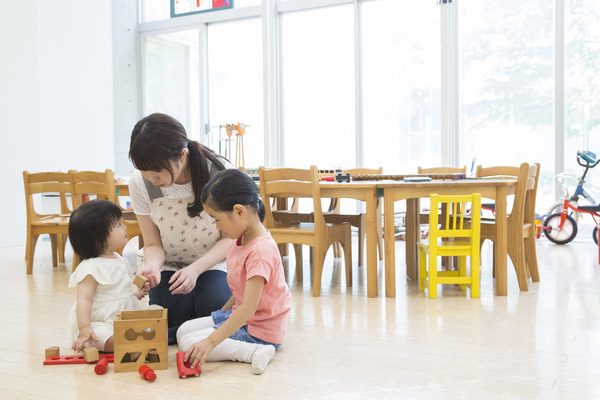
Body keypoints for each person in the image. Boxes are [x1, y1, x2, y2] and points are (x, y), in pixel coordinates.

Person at [128, 112, 232, 345]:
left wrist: (195, 270)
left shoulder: (215, 172)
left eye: (157, 173)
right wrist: (152, 267)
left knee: (214, 304)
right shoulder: (140, 182)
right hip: (170, 264)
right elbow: (152, 243)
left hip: (213, 262)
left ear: (182, 155)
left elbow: (230, 238)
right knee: (172, 313)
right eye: (146, 174)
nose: (152, 180)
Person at [176, 169, 292, 375]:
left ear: (239, 211)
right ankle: (243, 345)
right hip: (245, 317)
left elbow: (248, 308)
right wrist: (221, 314)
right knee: (183, 331)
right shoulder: (241, 238)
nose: (216, 227)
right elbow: (240, 291)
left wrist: (210, 341)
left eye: (216, 219)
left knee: (188, 344)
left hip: (260, 330)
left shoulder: (261, 250)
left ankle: (255, 350)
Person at [68, 200, 149, 352]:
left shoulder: (120, 259)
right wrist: (85, 328)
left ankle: (128, 340)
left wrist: (135, 294)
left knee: (152, 318)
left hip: (124, 319)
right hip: (100, 322)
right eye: (118, 224)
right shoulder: (90, 267)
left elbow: (122, 290)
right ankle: (95, 340)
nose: (124, 226)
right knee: (101, 336)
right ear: (98, 236)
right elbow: (83, 300)